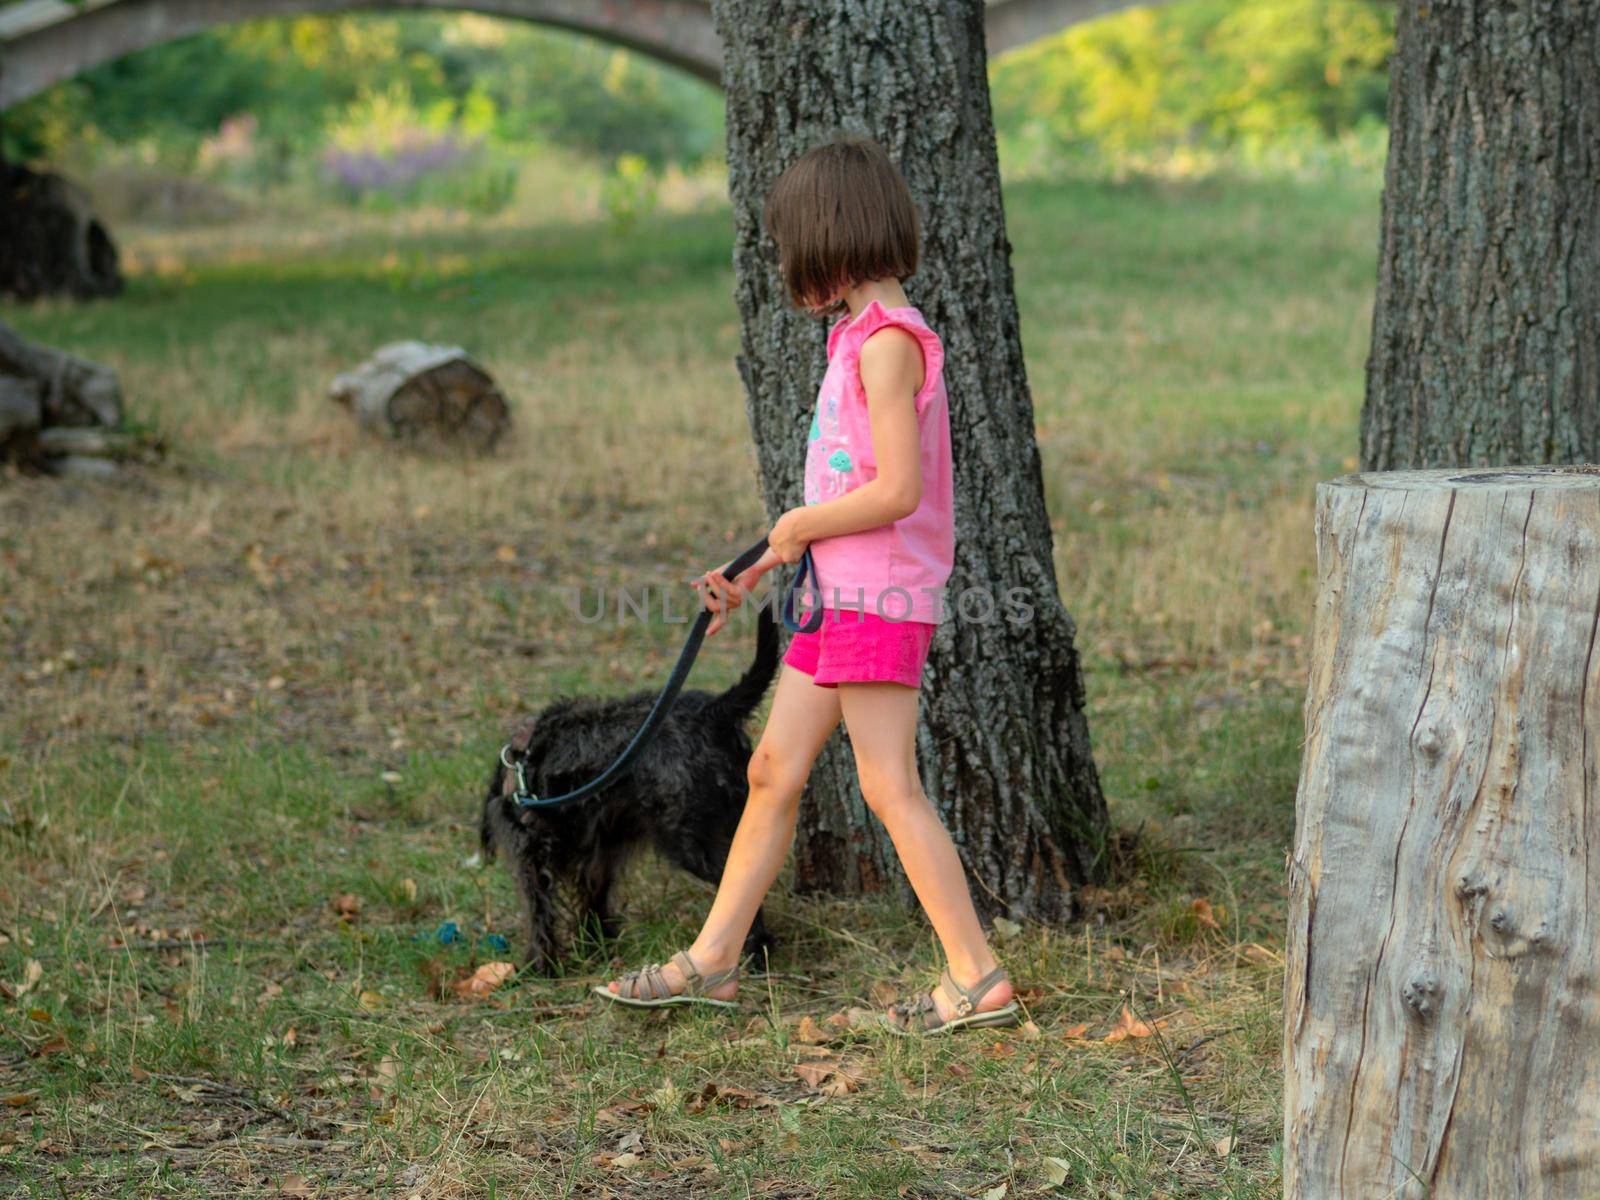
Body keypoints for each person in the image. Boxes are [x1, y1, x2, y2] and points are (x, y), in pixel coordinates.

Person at [597, 137, 1016, 1035]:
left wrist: (795, 528)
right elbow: (841, 490)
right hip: (839, 593)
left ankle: (976, 977)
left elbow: (896, 492)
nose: (788, 263)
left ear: (830, 237)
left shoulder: (891, 345)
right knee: (772, 769)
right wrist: (756, 567)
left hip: (880, 597)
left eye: (793, 243)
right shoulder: (856, 336)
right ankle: (713, 963)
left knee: (887, 785)